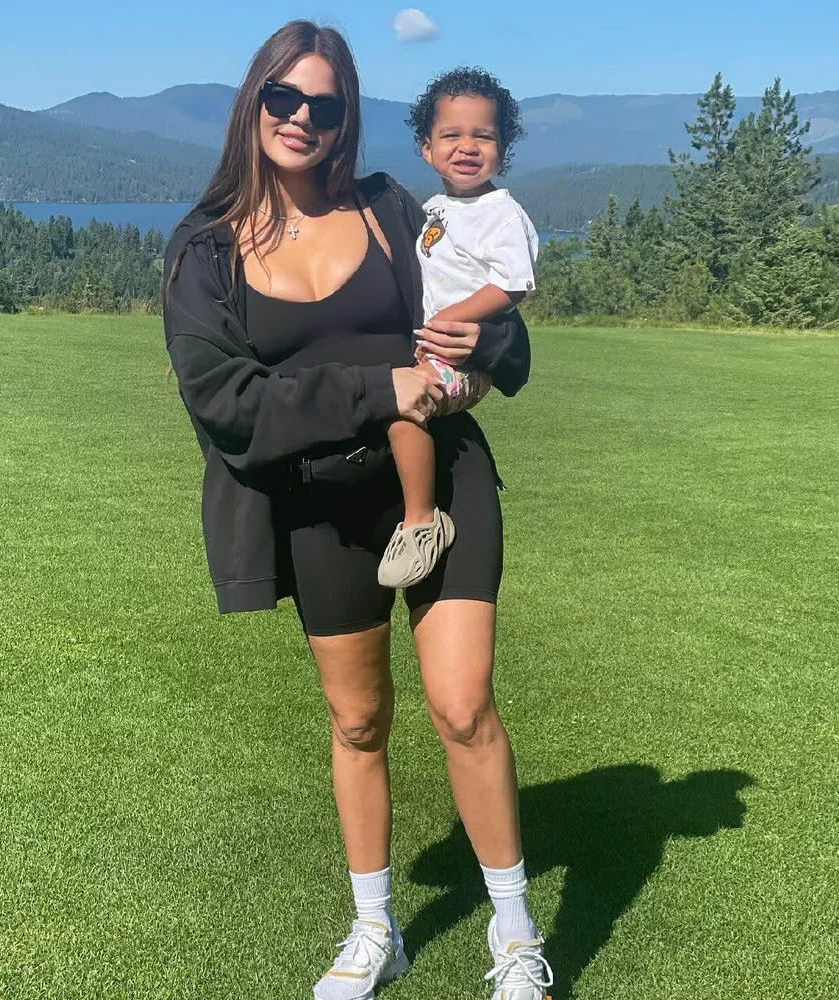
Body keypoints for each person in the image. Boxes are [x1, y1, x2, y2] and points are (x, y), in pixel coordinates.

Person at [162, 20, 549, 1000]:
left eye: (324, 105)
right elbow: (227, 404)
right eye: (283, 97)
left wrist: (484, 357)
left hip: (440, 477)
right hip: (320, 502)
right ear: (254, 102)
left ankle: (514, 935)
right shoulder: (205, 249)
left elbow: (491, 316)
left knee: (462, 707)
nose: (301, 117)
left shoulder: (387, 209)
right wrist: (383, 388)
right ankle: (378, 928)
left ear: (347, 119)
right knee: (360, 720)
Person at [376, 68, 540, 590]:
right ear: (426, 149)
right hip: (432, 345)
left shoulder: (501, 214)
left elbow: (513, 285)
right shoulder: (435, 209)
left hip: (460, 355)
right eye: (451, 135)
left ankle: (421, 523)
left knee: (403, 406)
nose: (467, 147)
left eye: (483, 136)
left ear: (503, 149)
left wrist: (452, 320)